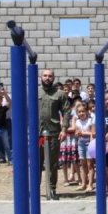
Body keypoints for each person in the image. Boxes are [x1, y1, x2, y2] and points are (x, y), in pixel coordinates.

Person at [38, 69, 66, 200]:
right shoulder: (34, 92)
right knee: (36, 163)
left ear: (53, 78)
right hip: (36, 134)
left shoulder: (60, 94)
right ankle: (35, 189)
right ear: (40, 77)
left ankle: (52, 189)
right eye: (45, 75)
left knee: (53, 164)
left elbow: (66, 112)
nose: (47, 78)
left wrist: (64, 129)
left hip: (53, 134)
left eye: (50, 76)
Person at [74, 102, 95, 192]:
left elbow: (93, 133)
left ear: (87, 111)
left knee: (90, 164)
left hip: (89, 143)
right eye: (79, 112)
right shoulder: (77, 121)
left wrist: (83, 133)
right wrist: (78, 133)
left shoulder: (90, 120)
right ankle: (83, 183)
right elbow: (76, 133)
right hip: (81, 143)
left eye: (83, 111)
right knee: (83, 164)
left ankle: (90, 184)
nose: (81, 113)